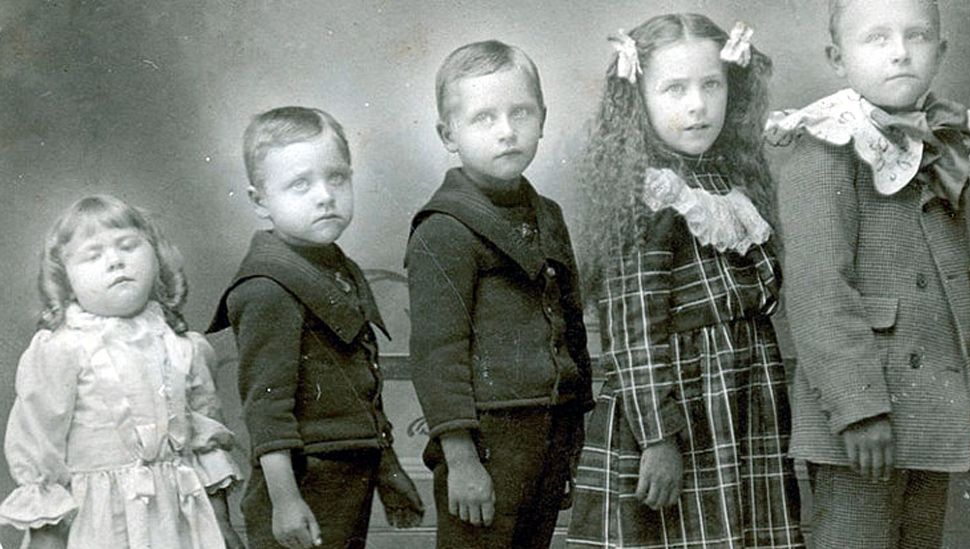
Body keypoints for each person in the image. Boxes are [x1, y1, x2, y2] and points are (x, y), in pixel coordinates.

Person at [566, 13, 803, 548]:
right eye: (675, 89)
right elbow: (631, 331)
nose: (697, 105)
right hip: (681, 403)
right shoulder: (649, 191)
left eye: (711, 85)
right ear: (638, 97)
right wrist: (657, 437)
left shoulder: (732, 178)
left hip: (743, 392)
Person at [768, 0, 970, 547]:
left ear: (942, 51)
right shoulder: (824, 150)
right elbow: (819, 296)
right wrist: (858, 408)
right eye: (876, 38)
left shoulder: (947, 144)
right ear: (839, 57)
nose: (901, 52)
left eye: (918, 36)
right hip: (860, 412)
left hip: (931, 405)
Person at [405, 40, 593, 548]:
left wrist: (573, 438)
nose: (507, 131)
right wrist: (461, 458)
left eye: (520, 113)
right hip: (486, 441)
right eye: (484, 118)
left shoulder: (547, 215)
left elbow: (571, 326)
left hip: (550, 433)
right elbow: (436, 353)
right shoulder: (444, 229)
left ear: (542, 118)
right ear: (449, 134)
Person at [208, 106, 423, 549]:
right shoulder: (268, 287)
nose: (325, 196)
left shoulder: (333, 268)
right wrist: (285, 501)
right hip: (301, 482)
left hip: (347, 474)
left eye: (337, 178)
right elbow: (266, 410)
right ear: (259, 200)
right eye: (300, 184)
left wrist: (388, 472)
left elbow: (360, 390)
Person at [0, 195, 243, 548]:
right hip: (98, 523)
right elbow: (40, 445)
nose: (115, 261)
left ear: (156, 259)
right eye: (93, 255)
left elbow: (205, 443)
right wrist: (46, 538)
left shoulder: (184, 348)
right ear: (65, 280)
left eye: (128, 246)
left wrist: (221, 523)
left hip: (181, 523)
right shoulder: (60, 351)